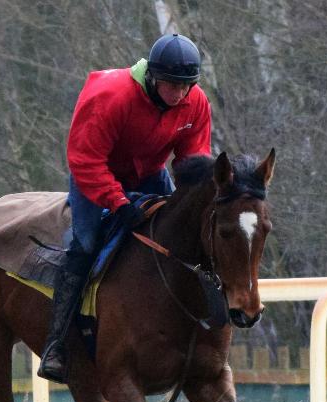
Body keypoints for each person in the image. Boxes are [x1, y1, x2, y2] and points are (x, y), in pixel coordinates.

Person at [37, 33, 212, 384]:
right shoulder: (110, 96)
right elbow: (85, 160)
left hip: (148, 175)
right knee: (85, 244)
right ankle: (56, 344)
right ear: (152, 77)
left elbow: (193, 162)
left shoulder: (196, 102)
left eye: (186, 86)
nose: (179, 95)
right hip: (94, 176)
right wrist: (117, 204)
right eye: (172, 85)